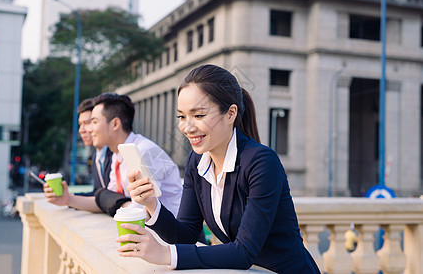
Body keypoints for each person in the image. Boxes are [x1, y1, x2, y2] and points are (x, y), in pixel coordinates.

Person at [117, 65, 320, 273]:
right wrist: (151, 203)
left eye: (198, 115)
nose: (187, 127)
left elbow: (244, 252)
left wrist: (165, 254)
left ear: (231, 113)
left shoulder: (262, 162)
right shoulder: (196, 162)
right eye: (182, 117)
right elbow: (187, 235)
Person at [43, 93, 183, 217]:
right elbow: (106, 199)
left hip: (177, 239)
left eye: (94, 122)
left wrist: (115, 203)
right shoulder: (119, 154)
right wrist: (67, 199)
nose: (89, 129)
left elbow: (140, 213)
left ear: (115, 123)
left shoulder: (144, 152)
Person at [76, 98, 113, 195]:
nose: (81, 130)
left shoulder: (115, 154)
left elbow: (111, 197)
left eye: (87, 123)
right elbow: (98, 194)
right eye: (80, 124)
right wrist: (69, 197)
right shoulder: (96, 156)